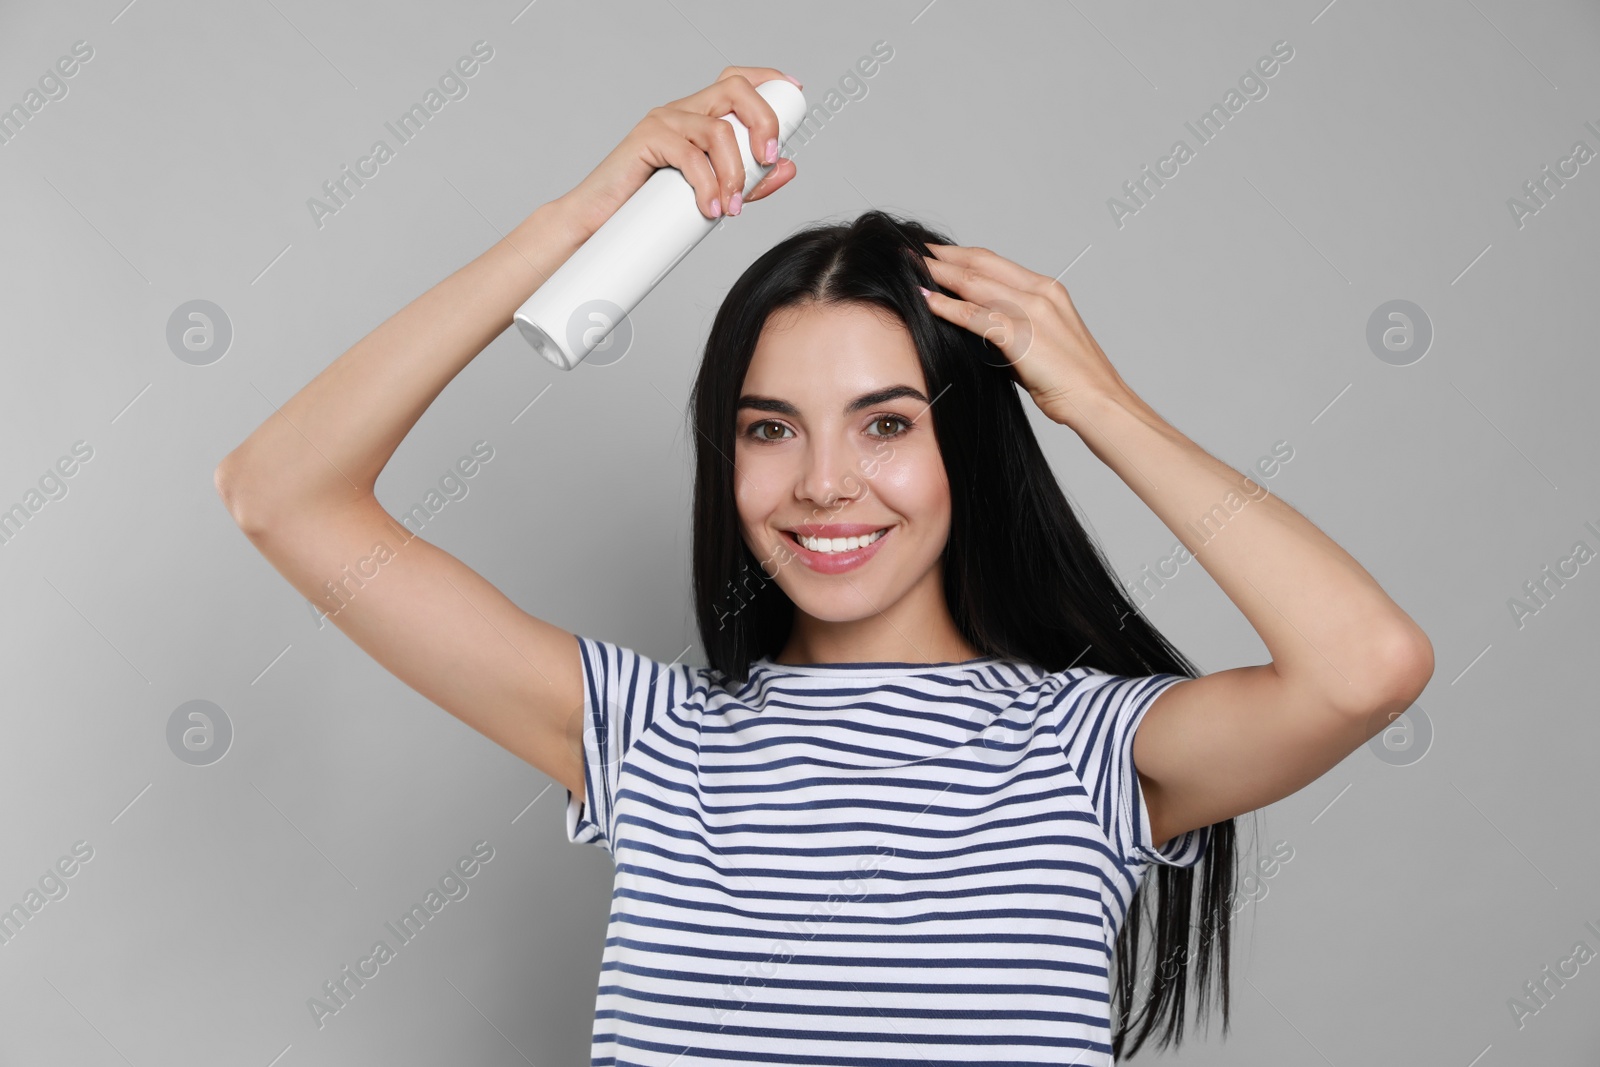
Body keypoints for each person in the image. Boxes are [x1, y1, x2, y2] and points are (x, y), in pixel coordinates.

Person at [215, 66, 1434, 1065]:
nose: (821, 481)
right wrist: (575, 221)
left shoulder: (1089, 749)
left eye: (887, 422)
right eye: (768, 426)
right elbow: (281, 491)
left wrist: (1101, 404)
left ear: (966, 444)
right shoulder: (649, 737)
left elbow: (1366, 667)